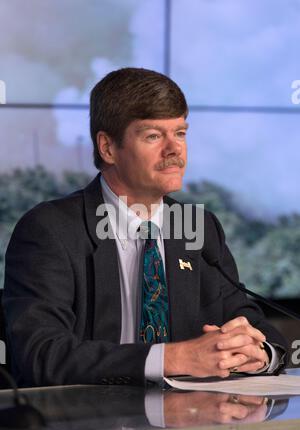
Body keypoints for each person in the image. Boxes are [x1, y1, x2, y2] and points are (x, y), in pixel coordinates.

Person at [3, 68, 287, 387]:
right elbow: (41, 355)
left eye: (180, 133)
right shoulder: (51, 230)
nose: (174, 150)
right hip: (89, 427)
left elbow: (250, 321)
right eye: (153, 136)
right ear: (108, 148)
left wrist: (259, 352)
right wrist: (173, 358)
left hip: (191, 427)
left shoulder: (199, 227)